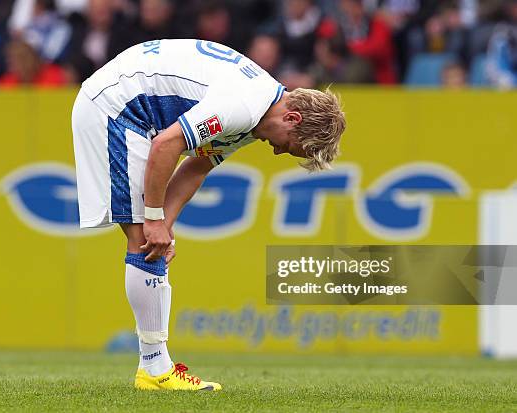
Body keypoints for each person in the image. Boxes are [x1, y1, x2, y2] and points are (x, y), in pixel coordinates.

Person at [71, 39, 346, 391]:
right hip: (116, 107)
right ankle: (155, 371)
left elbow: (196, 167)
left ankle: (154, 368)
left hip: (128, 104)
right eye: (291, 145)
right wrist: (154, 219)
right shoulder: (244, 106)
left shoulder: (257, 114)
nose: (279, 152)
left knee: (150, 241)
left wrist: (164, 226)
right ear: (292, 117)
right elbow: (167, 144)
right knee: (143, 239)